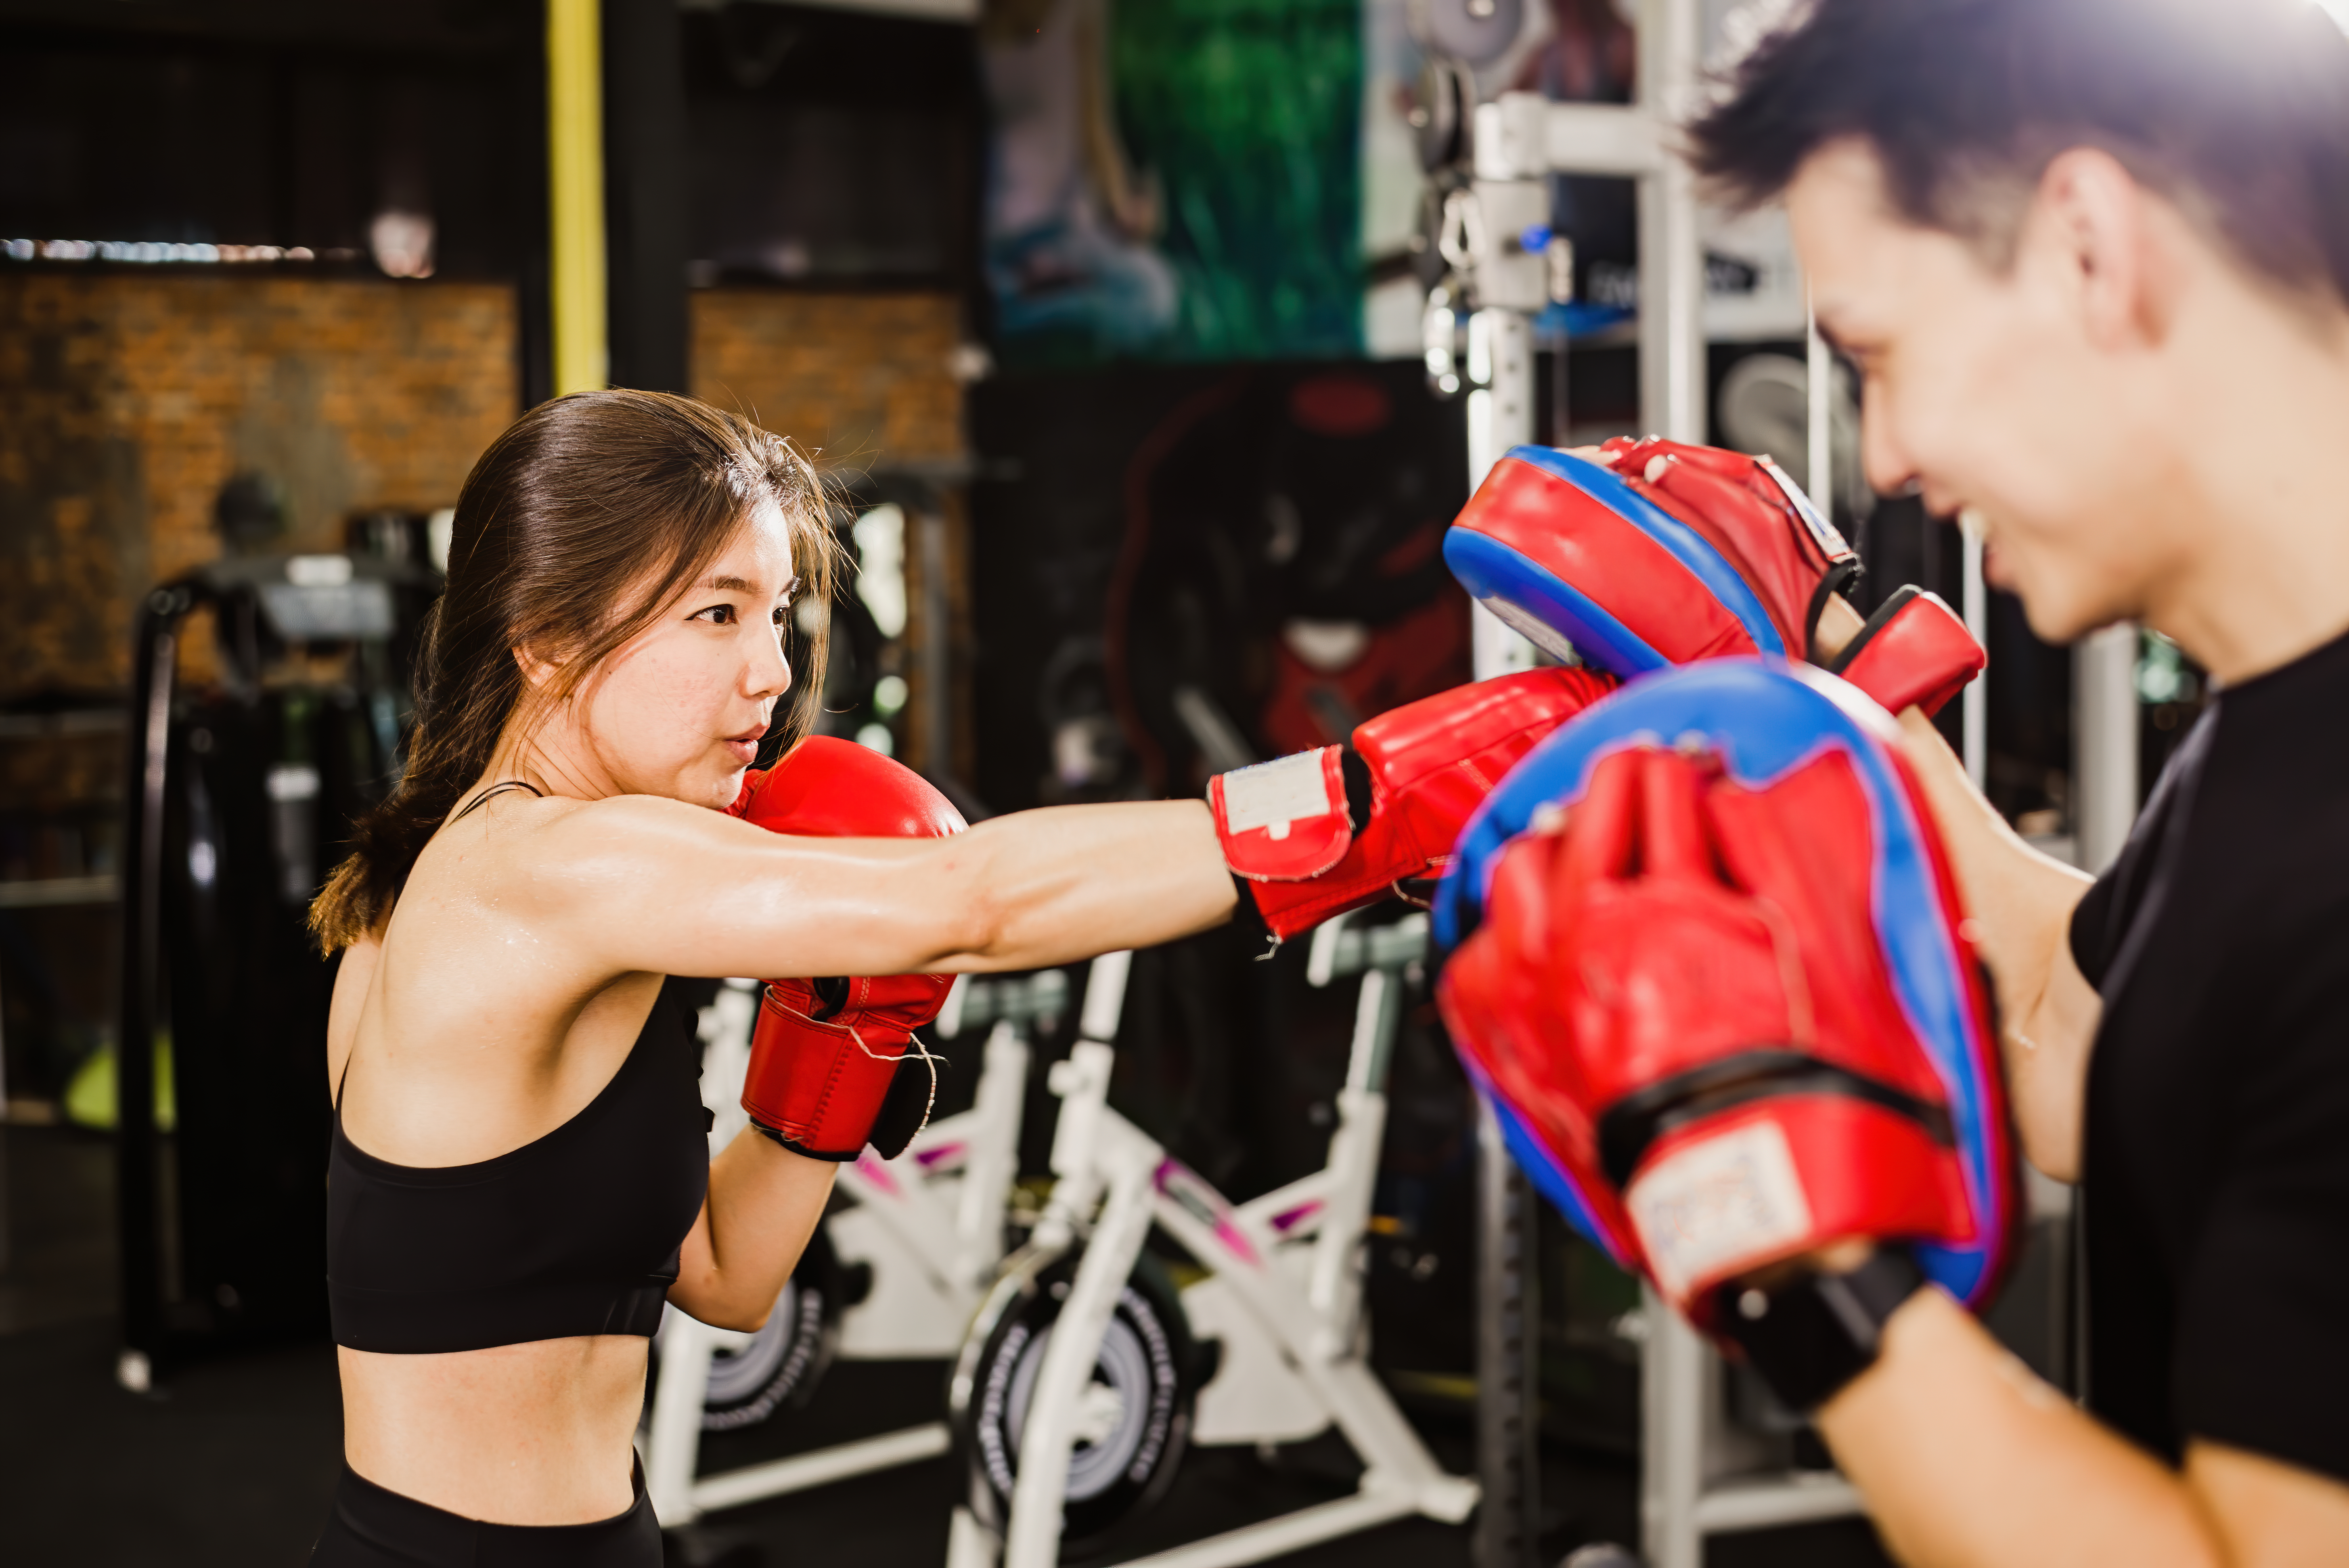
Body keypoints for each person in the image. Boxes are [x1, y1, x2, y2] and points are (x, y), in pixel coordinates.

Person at [300, 387, 1615, 1565]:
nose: (770, 675)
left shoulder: (426, 887)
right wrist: (1370, 800)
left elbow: (724, 1282)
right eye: (713, 615)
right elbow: (971, 904)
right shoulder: (542, 864)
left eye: (777, 615)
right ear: (544, 639)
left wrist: (836, 1042)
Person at [1448, 0, 2349, 1562]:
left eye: (1876, 352)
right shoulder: (2273, 744)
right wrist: (1823, 688)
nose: (1881, 454)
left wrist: (1787, 1247)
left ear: (2086, 246)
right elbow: (2079, 1031)